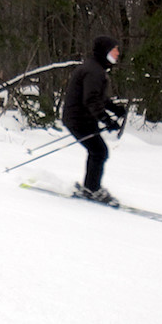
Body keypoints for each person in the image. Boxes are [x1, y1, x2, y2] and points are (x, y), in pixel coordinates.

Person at [61, 35, 127, 206]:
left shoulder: (95, 68)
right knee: (99, 151)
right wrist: (106, 119)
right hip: (79, 119)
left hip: (80, 118)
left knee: (98, 151)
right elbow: (90, 99)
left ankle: (91, 188)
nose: (118, 53)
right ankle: (91, 190)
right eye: (115, 49)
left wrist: (114, 109)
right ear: (105, 51)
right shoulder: (94, 71)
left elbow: (98, 97)